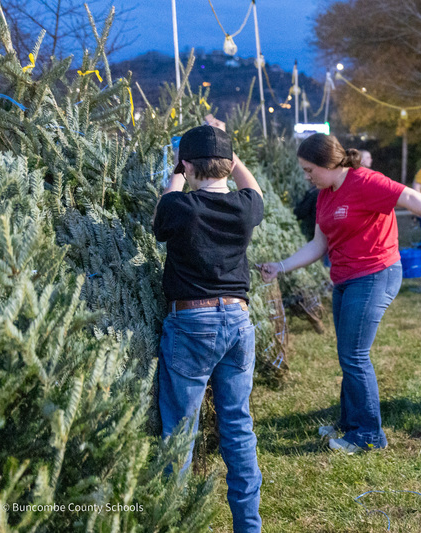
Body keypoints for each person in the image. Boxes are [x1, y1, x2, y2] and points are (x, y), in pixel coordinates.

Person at [259, 134, 421, 454]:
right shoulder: (325, 194)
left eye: (310, 170)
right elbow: (318, 245)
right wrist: (280, 266)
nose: (306, 176)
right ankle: (350, 423)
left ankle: (369, 435)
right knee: (347, 353)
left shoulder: (366, 182)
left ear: (329, 163)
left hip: (375, 275)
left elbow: (415, 200)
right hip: (345, 279)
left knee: (355, 355)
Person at [153, 115, 265, 532]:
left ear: (189, 167)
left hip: (192, 322)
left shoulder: (180, 207)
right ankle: (248, 526)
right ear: (227, 164)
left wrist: (177, 174)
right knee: (237, 425)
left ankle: (176, 522)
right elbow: (253, 187)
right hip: (238, 321)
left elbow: (165, 207)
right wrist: (231, 157)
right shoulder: (244, 207)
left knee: (180, 431)